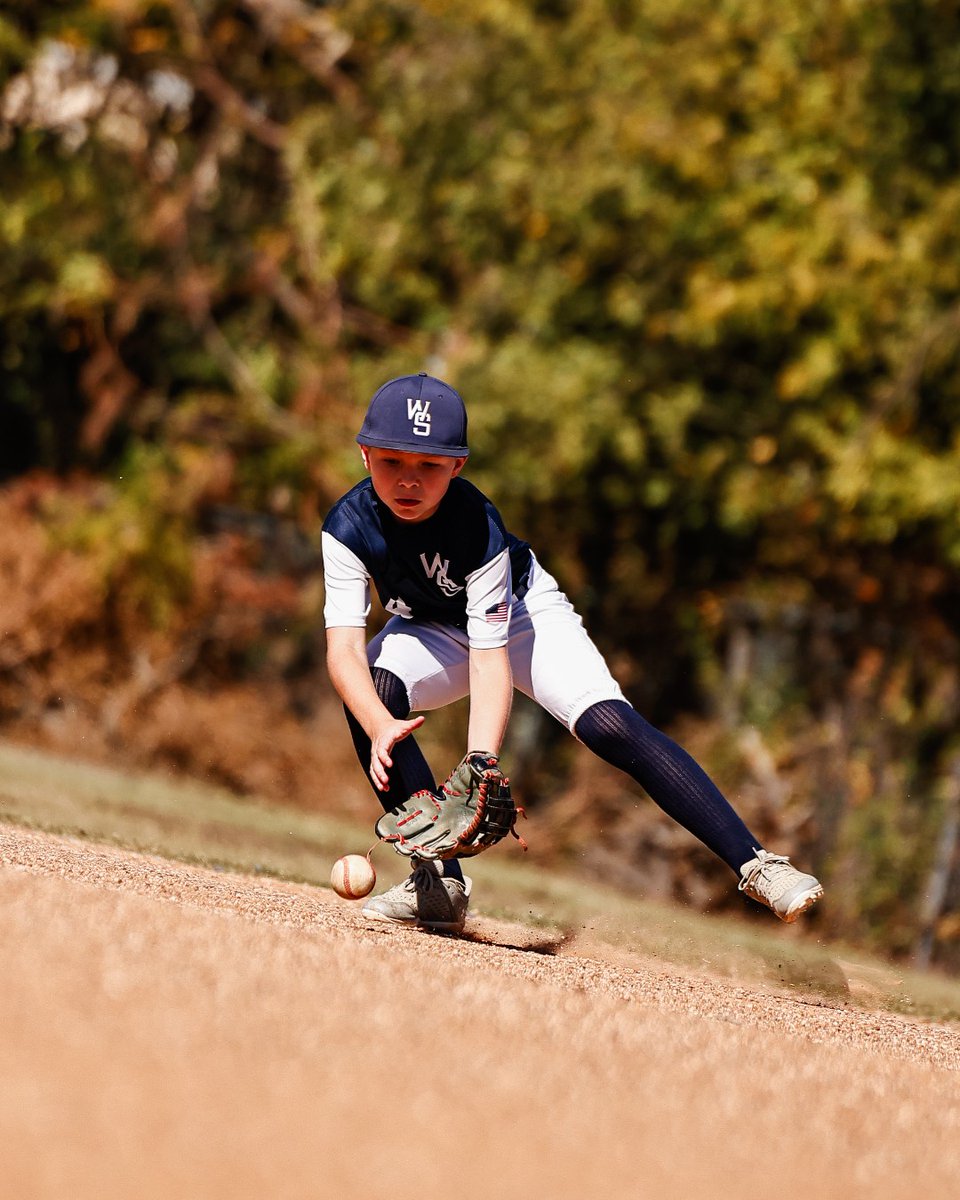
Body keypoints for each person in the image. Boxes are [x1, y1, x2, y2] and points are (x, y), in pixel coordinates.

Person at [321, 372, 823, 933]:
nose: (408, 481)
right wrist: (379, 724)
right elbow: (343, 650)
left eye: (429, 466)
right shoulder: (348, 526)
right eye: (393, 462)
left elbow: (491, 657)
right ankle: (438, 882)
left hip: (522, 616)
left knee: (608, 724)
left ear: (457, 467)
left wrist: (480, 762)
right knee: (375, 690)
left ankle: (758, 865)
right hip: (430, 627)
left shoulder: (476, 525)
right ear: (365, 456)